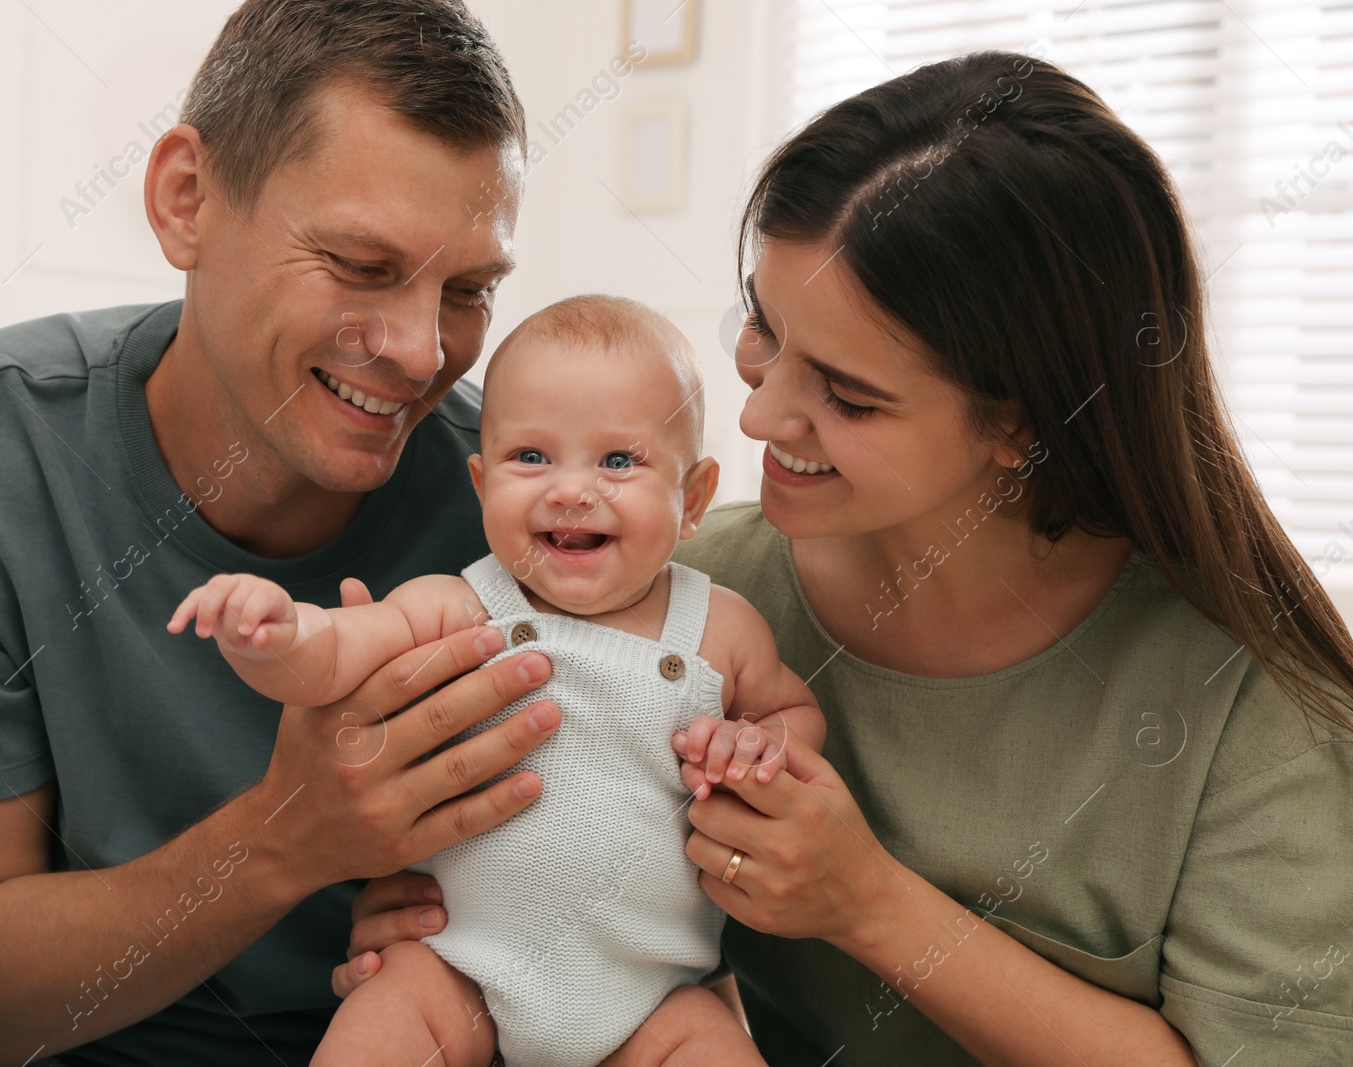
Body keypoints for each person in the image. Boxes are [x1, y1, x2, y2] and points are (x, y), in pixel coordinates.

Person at [340, 51, 1353, 1066]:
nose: (758, 411)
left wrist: (870, 904)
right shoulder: (683, 600)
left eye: (848, 393)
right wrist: (461, 934)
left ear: (1018, 422)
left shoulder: (1254, 712)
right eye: (763, 326)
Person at [0, 2, 575, 1064]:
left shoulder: (531, 511)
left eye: (468, 290)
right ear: (187, 200)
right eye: (359, 263)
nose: (414, 350)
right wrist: (286, 836)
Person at [170, 295, 824, 1066]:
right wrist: (273, 631)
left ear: (694, 499)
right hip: (458, 970)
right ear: (481, 485)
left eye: (618, 460)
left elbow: (793, 711)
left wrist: (758, 742)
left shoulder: (719, 626)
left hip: (656, 997)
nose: (571, 489)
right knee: (381, 1026)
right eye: (531, 457)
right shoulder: (461, 604)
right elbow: (336, 652)